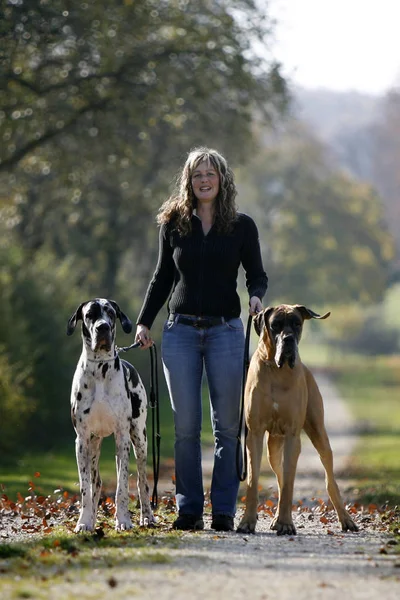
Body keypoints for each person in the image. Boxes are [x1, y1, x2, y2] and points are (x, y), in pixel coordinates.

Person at [135, 147, 268, 532]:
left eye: (210, 173)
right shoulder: (174, 224)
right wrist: (144, 322)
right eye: (197, 175)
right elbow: (162, 277)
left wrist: (256, 296)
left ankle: (224, 510)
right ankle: (189, 510)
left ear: (222, 179)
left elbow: (256, 274)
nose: (204, 180)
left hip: (226, 330)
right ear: (188, 182)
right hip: (181, 333)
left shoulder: (242, 226)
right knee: (187, 427)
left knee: (228, 426)